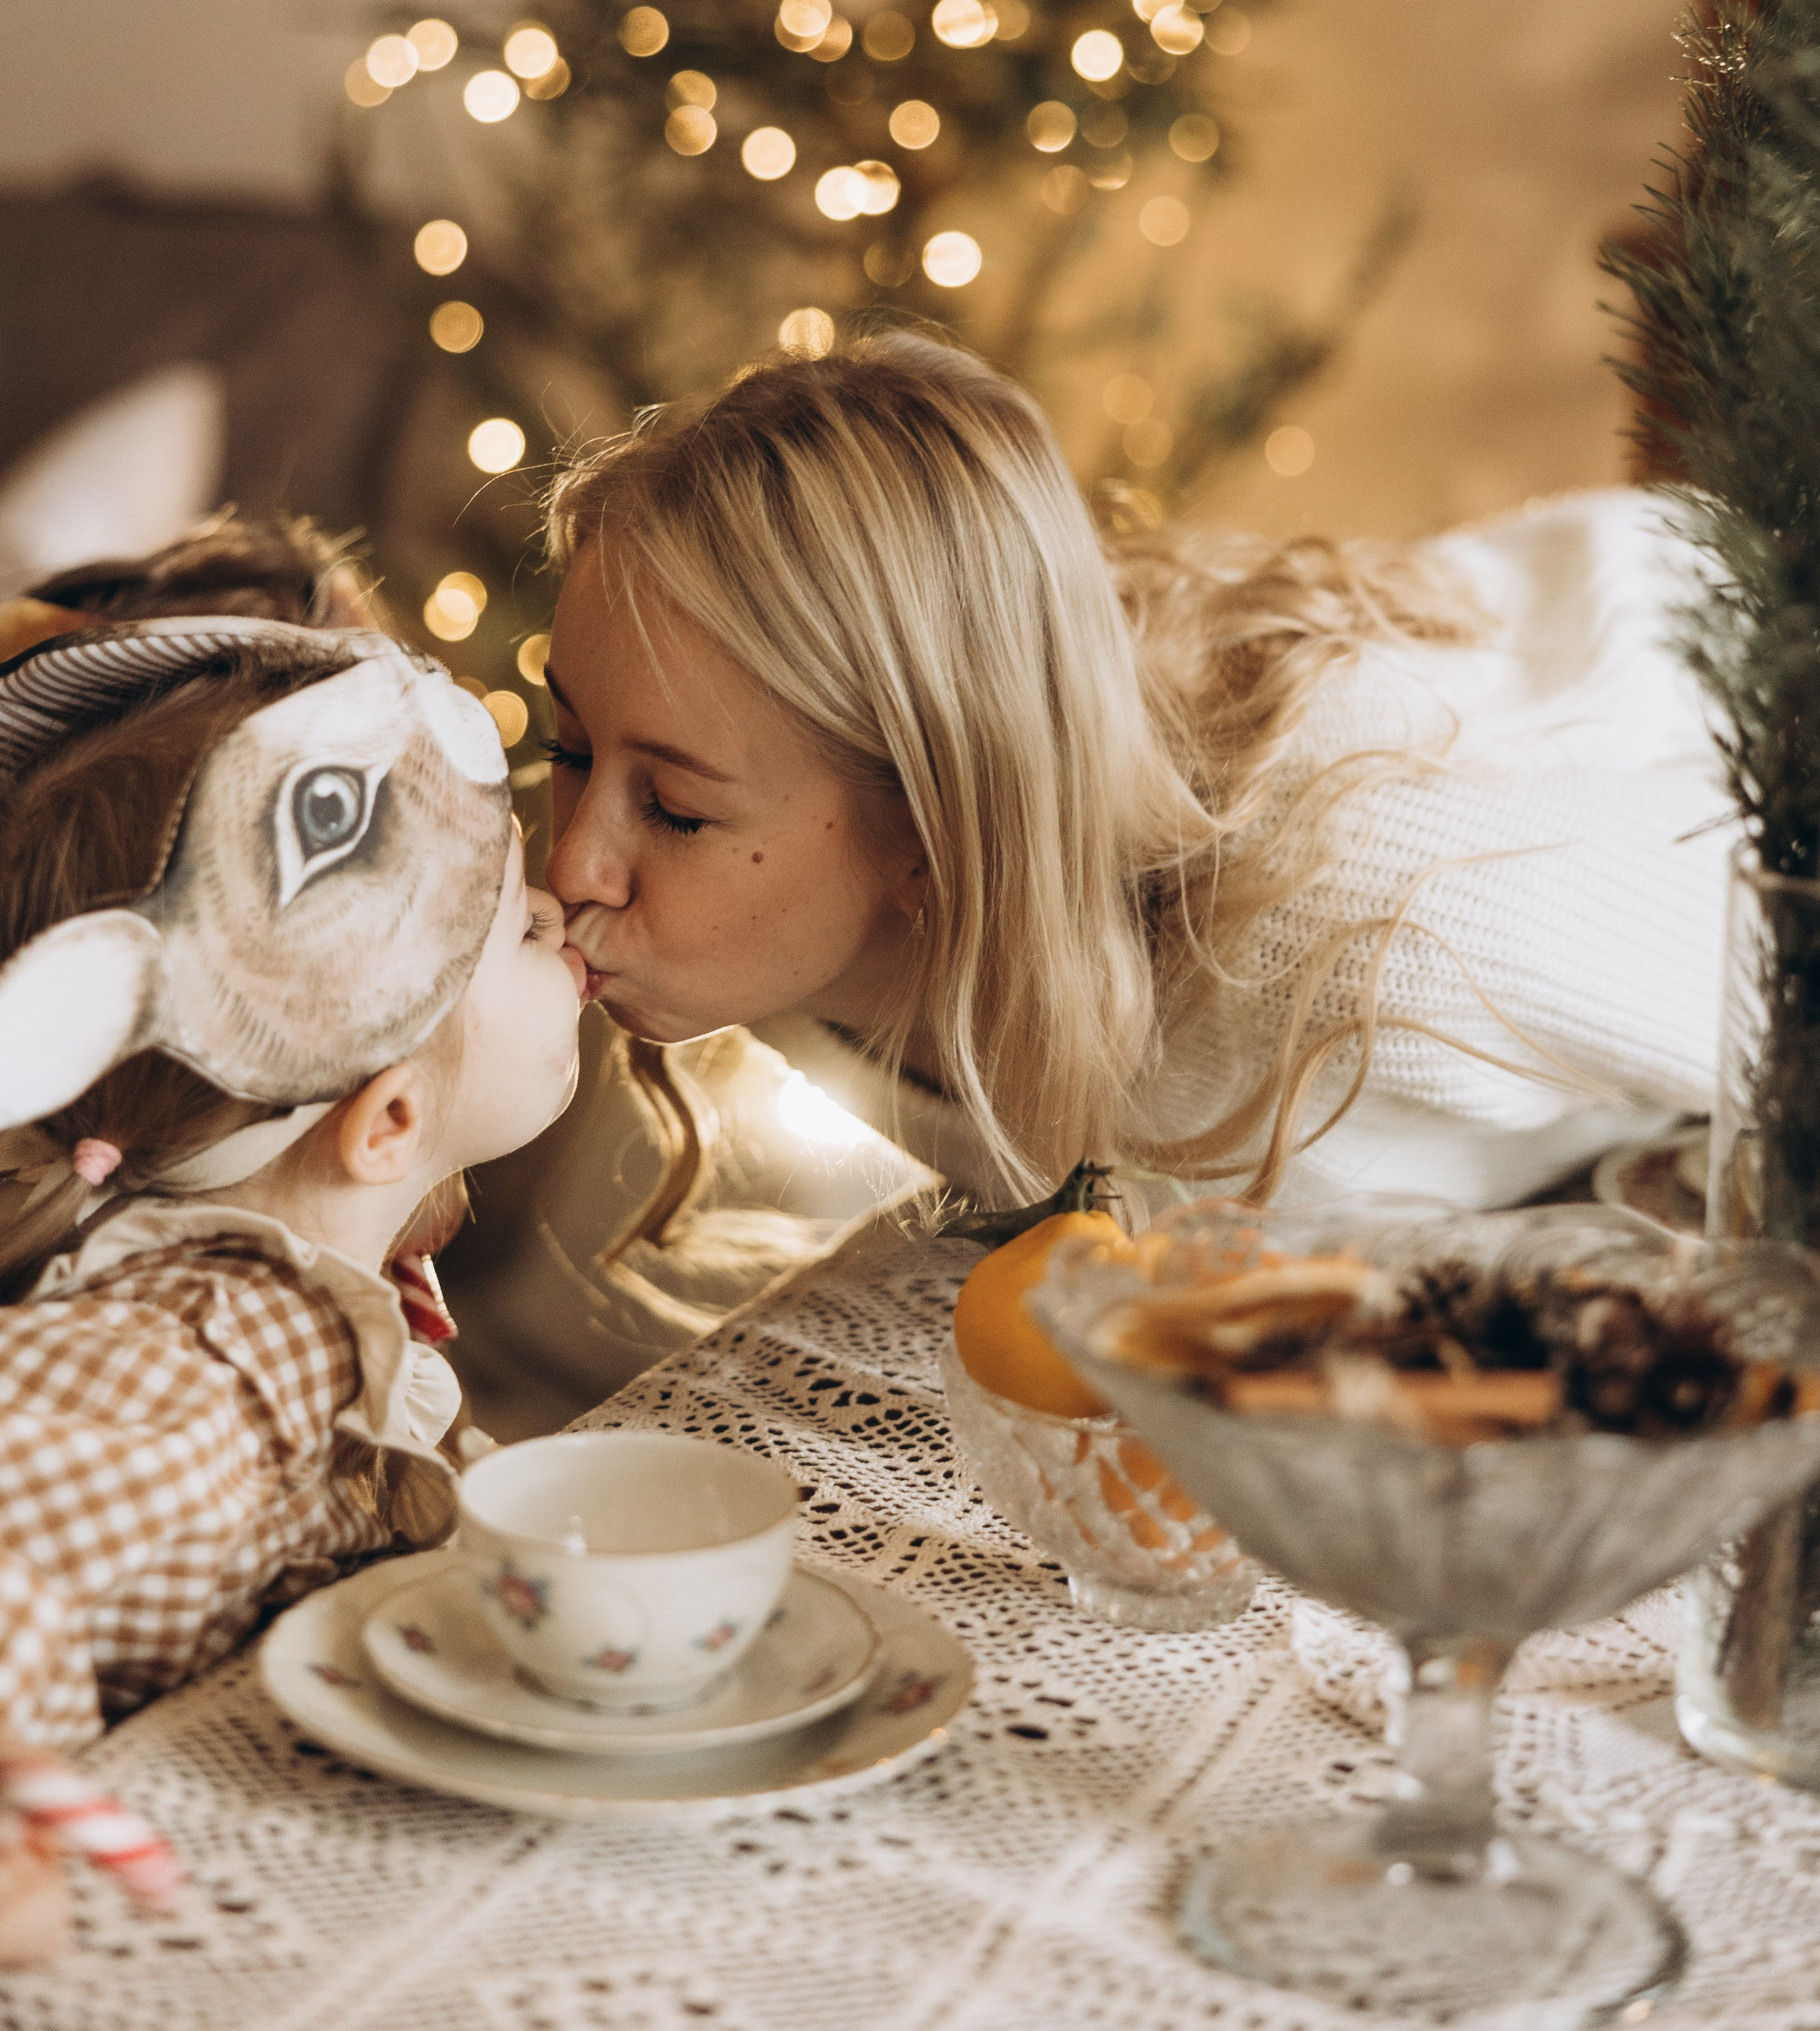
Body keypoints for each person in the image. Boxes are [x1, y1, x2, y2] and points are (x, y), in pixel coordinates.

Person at [482, 331, 1725, 1410]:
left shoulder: (1372, 918)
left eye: (680, 811)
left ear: (935, 828)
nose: (574, 857)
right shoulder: (798, 937)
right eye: (569, 748)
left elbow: (1788, 964)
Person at [0, 609, 583, 1945]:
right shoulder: (207, 1366)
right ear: (384, 1123)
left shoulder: (306, 1314)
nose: (558, 905)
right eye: (508, 928)